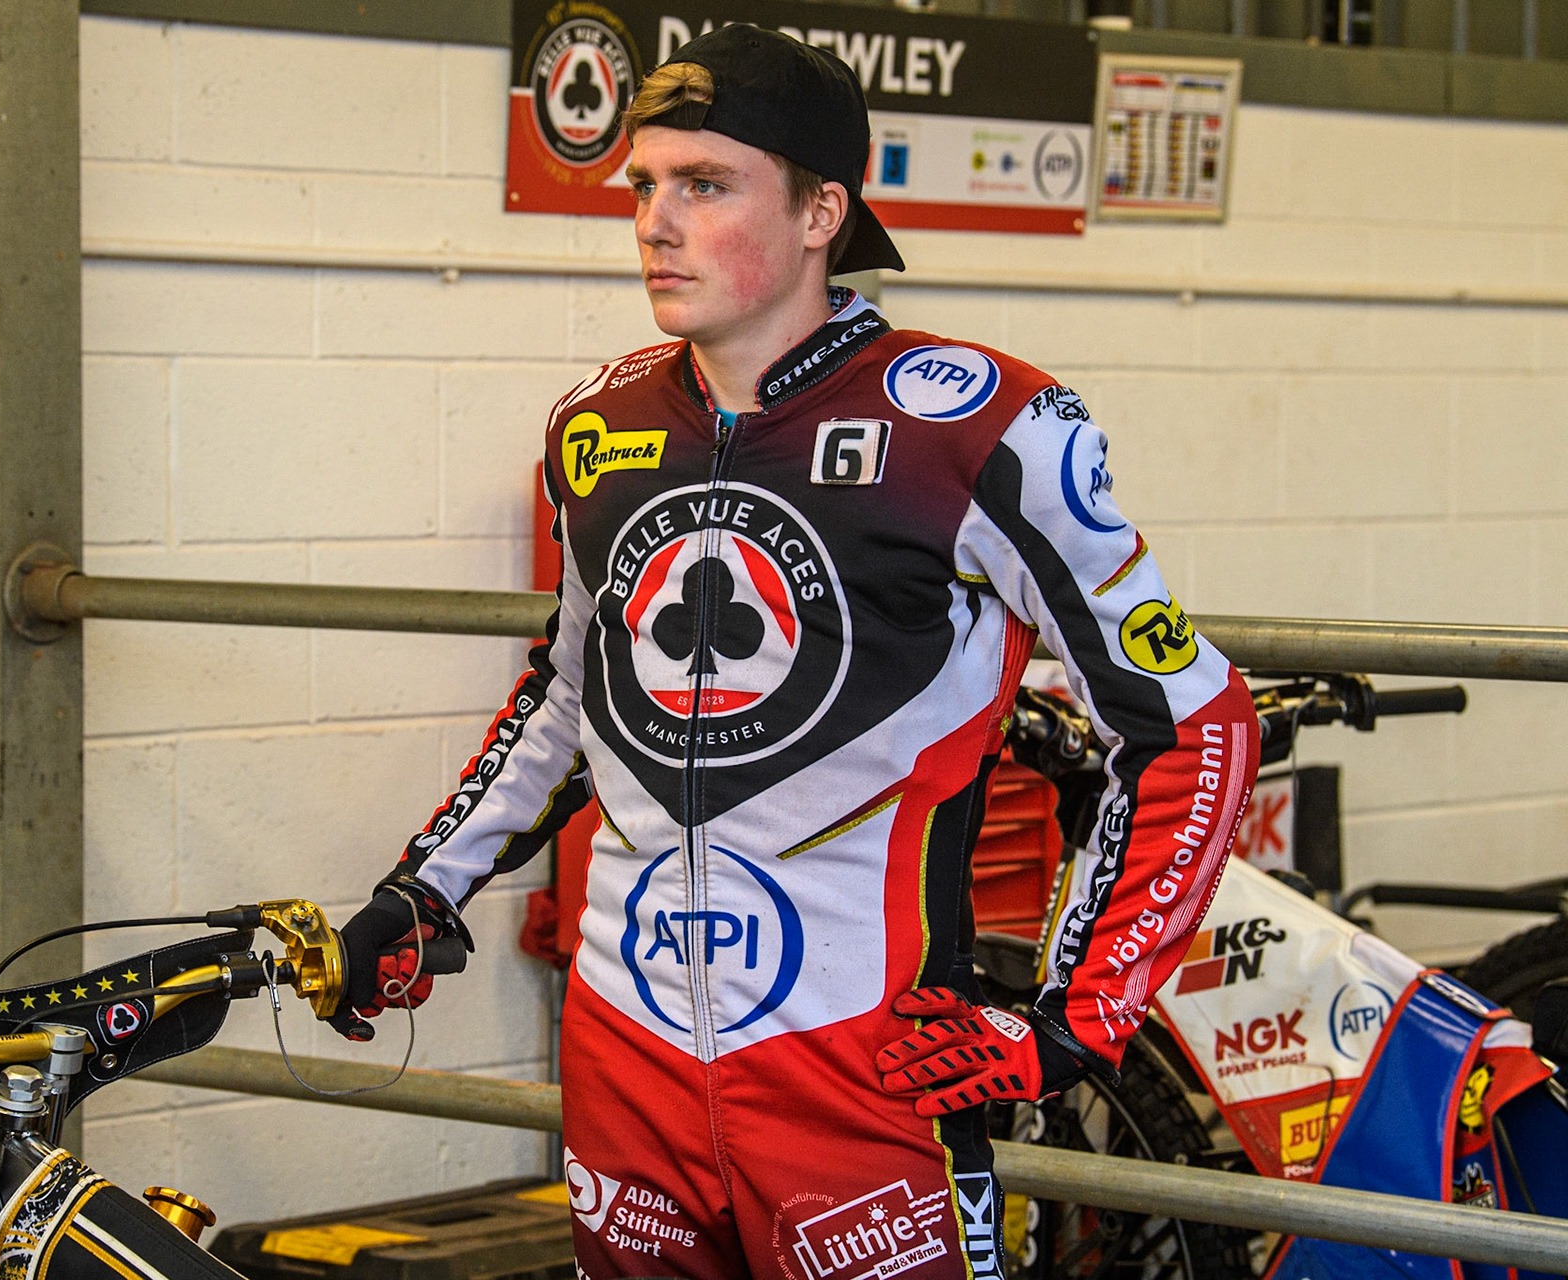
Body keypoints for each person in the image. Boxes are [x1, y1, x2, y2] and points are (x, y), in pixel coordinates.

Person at [323, 24, 1256, 1280]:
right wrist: (424, 886)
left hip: (862, 1071)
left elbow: (1194, 723)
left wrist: (1073, 1017)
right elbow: (570, 696)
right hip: (626, 1060)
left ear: (824, 212)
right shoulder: (597, 424)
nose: (655, 223)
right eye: (645, 184)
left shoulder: (979, 427)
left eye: (705, 185)